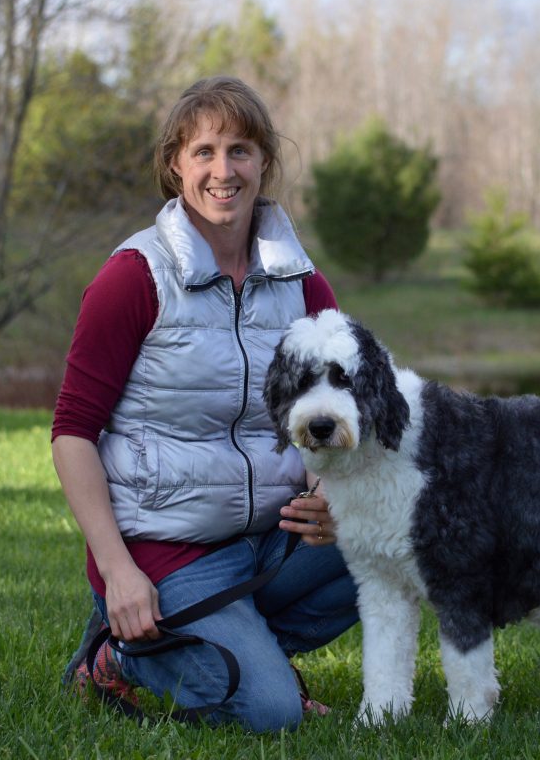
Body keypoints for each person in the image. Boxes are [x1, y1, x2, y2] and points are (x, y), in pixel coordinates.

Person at [52, 76, 358, 733]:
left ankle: (225, 643)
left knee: (407, 531)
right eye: (205, 152)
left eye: (241, 150)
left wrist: (327, 485)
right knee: (273, 712)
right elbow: (73, 432)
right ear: (175, 165)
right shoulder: (133, 276)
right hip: (166, 546)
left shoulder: (304, 284)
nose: (225, 170)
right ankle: (121, 650)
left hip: (267, 535)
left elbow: (330, 410)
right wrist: (118, 569)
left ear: (264, 163)